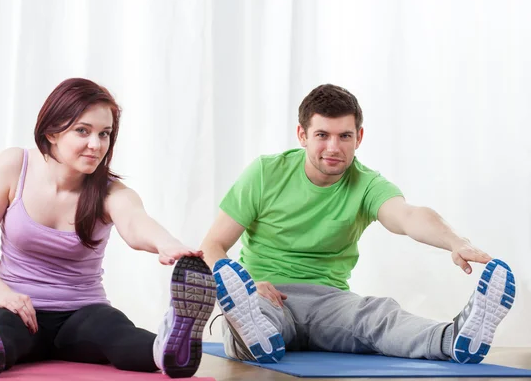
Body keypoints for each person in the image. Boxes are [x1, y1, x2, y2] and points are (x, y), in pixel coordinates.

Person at [200, 84, 516, 364]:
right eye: (322, 135)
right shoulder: (265, 173)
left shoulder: (366, 184)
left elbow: (409, 216)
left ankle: (454, 339)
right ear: (302, 136)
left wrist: (456, 242)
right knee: (251, 317)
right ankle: (253, 334)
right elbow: (212, 245)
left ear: (359, 137)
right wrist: (245, 285)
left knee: (378, 315)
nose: (334, 147)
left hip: (329, 302)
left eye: (344, 136)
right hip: (267, 295)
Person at [0, 78, 216, 379]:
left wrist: (167, 243)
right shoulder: (13, 167)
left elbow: (135, 222)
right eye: (83, 131)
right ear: (52, 131)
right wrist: (1, 291)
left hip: (82, 312)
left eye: (105, 134)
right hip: (18, 308)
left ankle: (169, 348)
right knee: (3, 339)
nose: (96, 144)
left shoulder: (111, 192)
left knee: (120, 337)